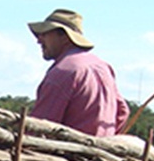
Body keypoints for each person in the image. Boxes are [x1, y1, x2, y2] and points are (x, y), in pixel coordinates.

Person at [28, 8, 129, 136]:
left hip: (68, 153)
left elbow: (39, 127)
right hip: (100, 149)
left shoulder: (63, 72)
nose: (39, 40)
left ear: (64, 36)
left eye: (45, 34)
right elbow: (122, 111)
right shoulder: (103, 67)